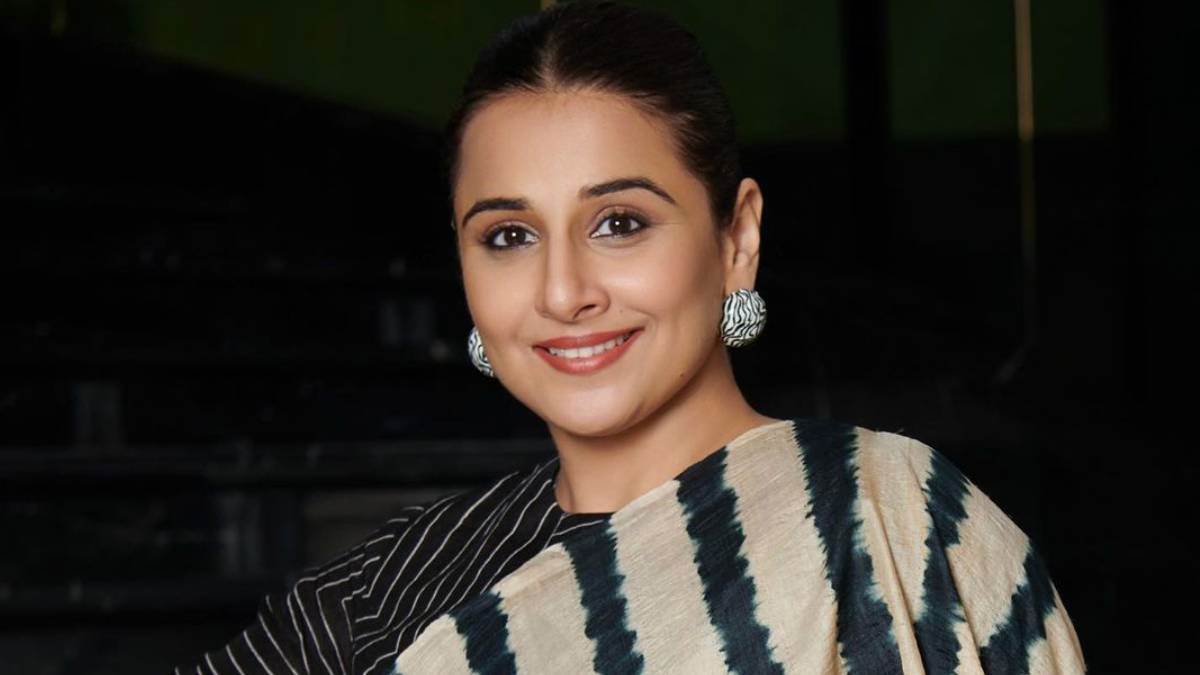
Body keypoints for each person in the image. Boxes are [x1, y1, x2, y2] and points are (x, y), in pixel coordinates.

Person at [179, 2, 1084, 673]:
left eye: (619, 223)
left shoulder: (878, 519)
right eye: (508, 236)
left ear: (737, 238)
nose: (563, 291)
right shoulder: (399, 586)